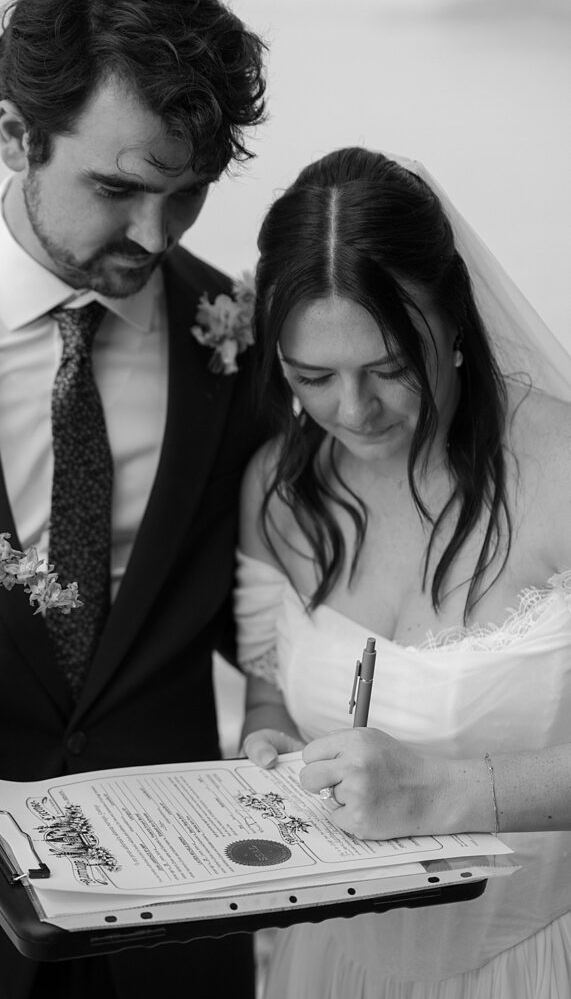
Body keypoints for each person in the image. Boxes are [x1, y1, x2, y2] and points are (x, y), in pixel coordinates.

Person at [0, 0, 268, 996]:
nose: (156, 235)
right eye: (117, 188)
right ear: (16, 134)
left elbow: (273, 598)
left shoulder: (233, 336)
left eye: (183, 192)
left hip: (180, 928)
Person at [238, 146, 571, 997]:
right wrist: (269, 740)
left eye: (389, 366)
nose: (353, 412)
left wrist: (444, 792)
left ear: (455, 322)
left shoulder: (562, 470)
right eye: (312, 376)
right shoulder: (279, 490)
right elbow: (270, 690)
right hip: (331, 965)